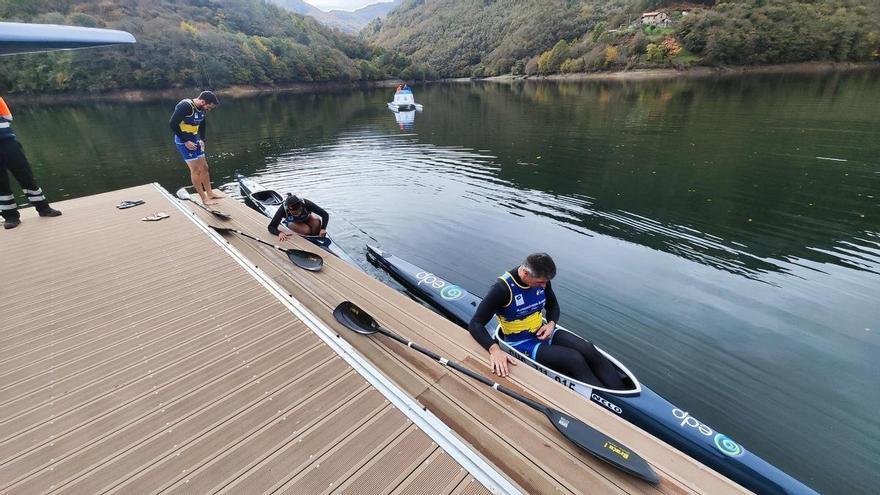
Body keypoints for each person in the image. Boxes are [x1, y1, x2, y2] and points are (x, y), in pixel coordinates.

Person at [468, 253, 625, 389]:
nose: (543, 286)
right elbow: (475, 324)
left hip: (543, 331)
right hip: (520, 342)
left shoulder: (542, 280)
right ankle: (608, 402)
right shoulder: (501, 289)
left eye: (545, 282)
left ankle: (621, 392)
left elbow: (553, 306)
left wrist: (551, 324)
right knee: (573, 359)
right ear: (525, 273)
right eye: (540, 282)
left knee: (588, 348)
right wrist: (494, 350)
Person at [0, 96, 62, 230]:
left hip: (9, 143)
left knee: (25, 175)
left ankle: (44, 208)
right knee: (1, 185)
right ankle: (11, 217)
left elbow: (8, 117)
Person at [169, 90, 223, 205]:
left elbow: (202, 124)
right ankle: (204, 199)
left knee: (204, 167)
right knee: (196, 170)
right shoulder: (186, 106)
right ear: (203, 102)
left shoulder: (201, 109)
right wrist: (186, 141)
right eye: (209, 107)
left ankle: (210, 193)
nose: (209, 109)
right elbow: (172, 123)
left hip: (195, 139)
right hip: (183, 141)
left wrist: (202, 139)